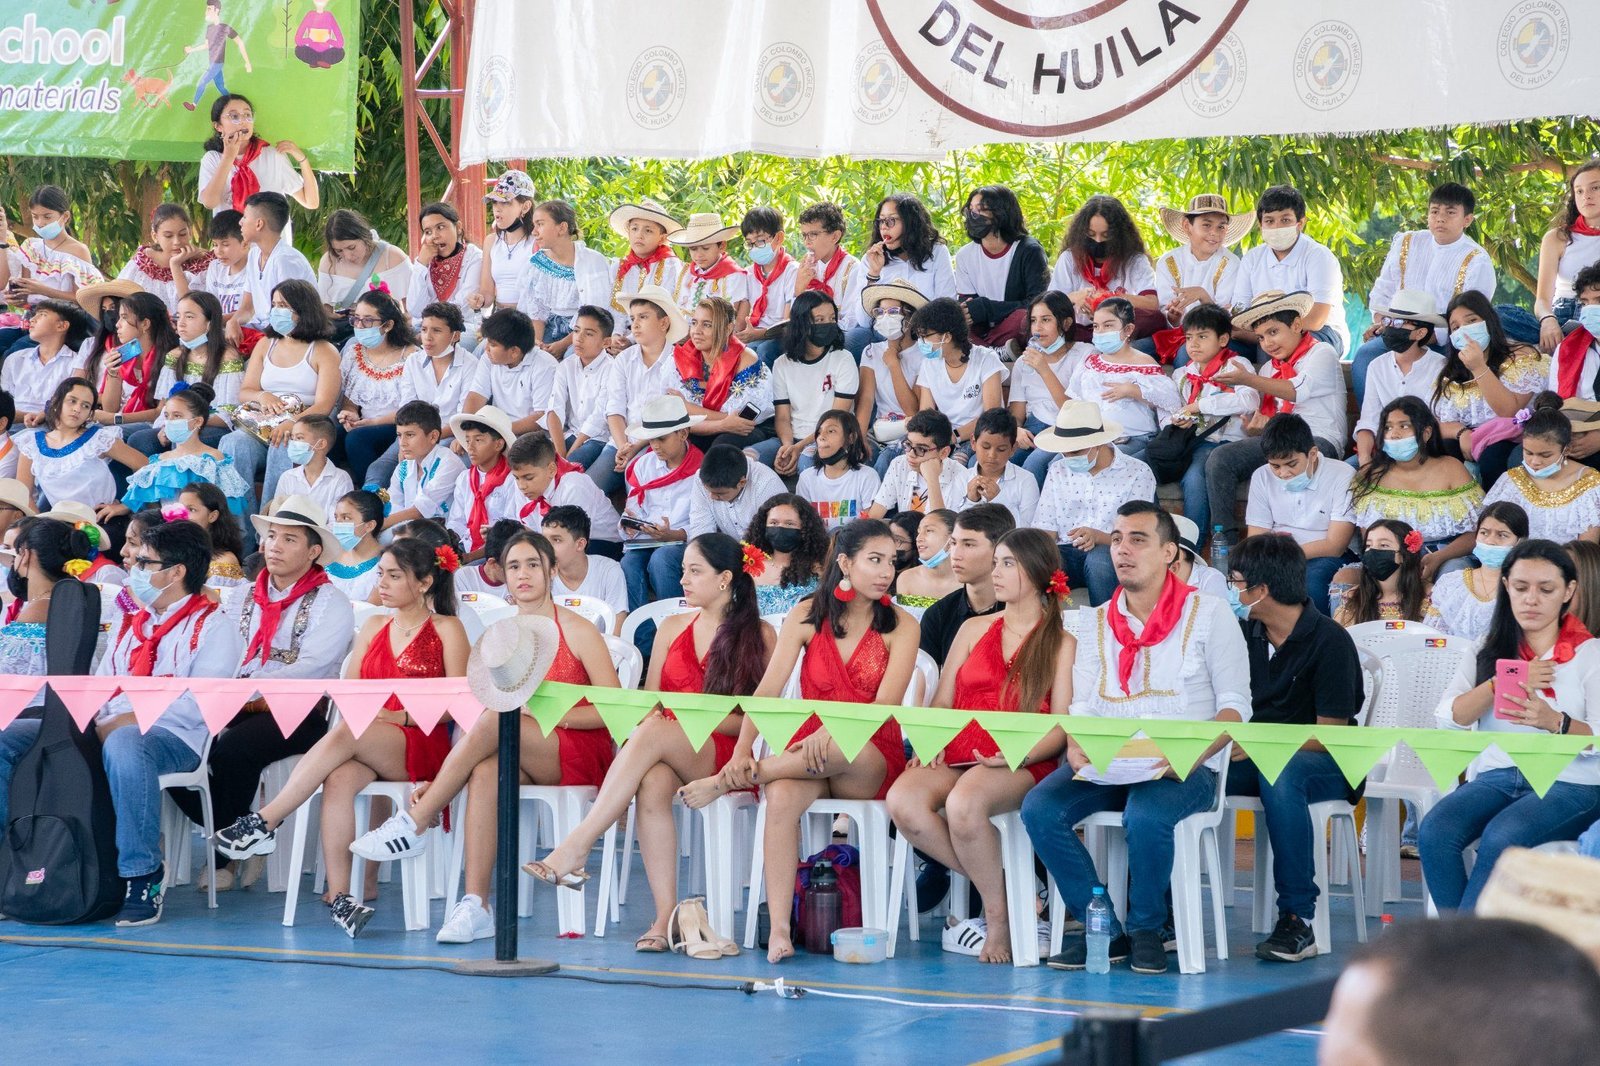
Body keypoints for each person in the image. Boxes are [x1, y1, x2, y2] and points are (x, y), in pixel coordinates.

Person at [433, 531, 770, 948]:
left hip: (723, 749)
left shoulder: (761, 635)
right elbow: (647, 702)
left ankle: (577, 844)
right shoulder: (670, 628)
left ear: (725, 579)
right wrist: (666, 721)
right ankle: (665, 916)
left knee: (655, 728)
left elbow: (758, 721)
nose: (682, 579)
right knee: (651, 777)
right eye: (682, 570)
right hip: (666, 744)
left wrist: (687, 719)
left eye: (694, 571)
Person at [347, 530, 618, 941]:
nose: (523, 574)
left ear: (551, 570)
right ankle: (477, 905)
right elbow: (470, 714)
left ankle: (418, 818)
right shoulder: (501, 635)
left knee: (498, 720)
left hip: (579, 748)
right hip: (520, 748)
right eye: (513, 566)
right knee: (485, 771)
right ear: (501, 575)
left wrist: (548, 715)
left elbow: (615, 711)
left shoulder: (579, 631)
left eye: (532, 565)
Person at [1023, 502, 1250, 975]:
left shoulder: (1209, 614)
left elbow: (1235, 708)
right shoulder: (1094, 619)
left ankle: (1149, 929)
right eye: (1118, 538)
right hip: (1110, 759)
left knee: (1145, 814)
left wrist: (1182, 756)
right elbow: (1082, 706)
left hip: (1185, 764)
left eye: (1138, 539)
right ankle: (1102, 926)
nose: (1122, 549)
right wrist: (1078, 744)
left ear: (1170, 552)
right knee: (1039, 807)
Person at [683, 520, 919, 963]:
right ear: (845, 563)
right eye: (875, 559)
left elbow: (885, 703)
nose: (887, 570)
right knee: (781, 795)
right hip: (807, 753)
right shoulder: (807, 614)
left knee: (837, 746)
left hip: (866, 753)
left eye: (891, 560)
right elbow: (768, 691)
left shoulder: (901, 624)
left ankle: (729, 781)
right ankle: (778, 929)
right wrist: (741, 749)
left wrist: (833, 731)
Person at [216, 536, 469, 937]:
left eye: (393, 576)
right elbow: (350, 693)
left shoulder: (447, 628)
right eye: (380, 574)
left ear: (423, 583)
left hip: (422, 738)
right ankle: (341, 897)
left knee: (351, 730)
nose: (381, 583)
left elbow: (459, 703)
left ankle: (265, 820)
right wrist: (374, 717)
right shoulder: (373, 624)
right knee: (338, 776)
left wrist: (395, 714)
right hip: (368, 737)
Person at [890, 527, 1074, 964]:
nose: (997, 572)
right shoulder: (973, 628)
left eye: (1008, 563)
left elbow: (1063, 725)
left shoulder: (1062, 641)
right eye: (996, 563)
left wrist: (1017, 754)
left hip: (1025, 756)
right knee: (903, 800)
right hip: (959, 749)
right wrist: (929, 739)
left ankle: (998, 919)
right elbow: (943, 700)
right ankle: (1014, 890)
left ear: (1036, 572)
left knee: (964, 805)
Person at [1418, 539, 1600, 910]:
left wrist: (1556, 722)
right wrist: (1499, 683)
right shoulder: (1487, 647)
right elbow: (1449, 717)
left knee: (1503, 835)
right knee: (1436, 831)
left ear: (1569, 592)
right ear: (1506, 587)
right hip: (1499, 776)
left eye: (1545, 589)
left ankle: (1462, 955)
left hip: (1572, 783)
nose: (1531, 599)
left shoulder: (1590, 654)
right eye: (1520, 587)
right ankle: (1464, 949)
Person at [1226, 533, 1364, 962]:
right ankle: (1162, 912)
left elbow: (1331, 732)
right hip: (1253, 755)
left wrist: (1258, 744)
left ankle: (1297, 919)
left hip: (1326, 762)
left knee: (1281, 771)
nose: (1231, 591)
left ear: (1261, 591)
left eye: (1235, 582)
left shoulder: (1330, 641)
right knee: (1184, 769)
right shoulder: (1239, 634)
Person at [1206, 290, 1349, 541]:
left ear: (1296, 324)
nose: (1267, 344)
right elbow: (1274, 420)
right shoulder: (1271, 367)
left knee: (1286, 456)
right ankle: (1224, 544)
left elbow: (1295, 391)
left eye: (1273, 332)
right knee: (1220, 459)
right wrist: (1257, 428)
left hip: (1319, 440)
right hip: (1282, 441)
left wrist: (1248, 379)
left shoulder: (1321, 352)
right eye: (1261, 337)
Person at [1352, 183, 1497, 405]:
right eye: (1434, 211)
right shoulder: (1407, 241)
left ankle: (1433, 432)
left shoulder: (1477, 259)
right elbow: (1383, 290)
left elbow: (1471, 316)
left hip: (1444, 339)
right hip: (1397, 329)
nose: (1440, 219)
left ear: (1467, 220)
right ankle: (1376, 428)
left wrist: (1423, 337)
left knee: (1448, 371)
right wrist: (1384, 323)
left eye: (1450, 213)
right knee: (1365, 356)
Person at [220, 276, 341, 523]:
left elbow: (324, 405)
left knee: (284, 444)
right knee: (232, 444)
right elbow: (245, 391)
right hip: (262, 424)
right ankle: (240, 529)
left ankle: (270, 523)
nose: (277, 311)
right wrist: (263, 395)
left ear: (303, 310)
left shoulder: (323, 350)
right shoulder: (266, 344)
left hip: (306, 424)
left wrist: (293, 423)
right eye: (275, 305)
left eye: (284, 306)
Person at [1033, 401, 1157, 606]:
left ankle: (1107, 629)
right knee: (1035, 562)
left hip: (1113, 553)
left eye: (1076, 452)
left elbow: (1139, 536)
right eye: (1065, 452)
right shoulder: (1058, 469)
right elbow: (1046, 529)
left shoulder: (1137, 472)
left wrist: (1099, 537)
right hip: (1065, 551)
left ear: (1098, 443)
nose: (1068, 458)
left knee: (1099, 559)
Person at [1352, 397, 1484, 579]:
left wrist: (1439, 557)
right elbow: (1369, 538)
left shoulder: (1451, 468)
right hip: (1392, 558)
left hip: (1447, 556)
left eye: (1403, 426)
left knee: (1451, 573)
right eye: (1388, 427)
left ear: (1426, 433)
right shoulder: (1372, 475)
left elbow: (1477, 532)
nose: (1394, 434)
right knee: (1344, 578)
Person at [1166, 303, 1259, 540]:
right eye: (1188, 337)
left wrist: (1200, 406)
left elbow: (1249, 400)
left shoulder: (1237, 366)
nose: (1193, 344)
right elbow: (1171, 410)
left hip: (1229, 442)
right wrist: (1177, 419)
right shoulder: (1183, 374)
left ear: (1224, 339)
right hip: (1195, 442)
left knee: (1195, 477)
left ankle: (1191, 546)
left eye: (1202, 336)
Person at [1433, 293, 1546, 487]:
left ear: (1488, 321)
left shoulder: (1521, 357)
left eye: (1471, 321)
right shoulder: (1450, 371)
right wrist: (1462, 434)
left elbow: (1508, 411)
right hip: (1468, 438)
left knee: (1493, 455)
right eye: (1456, 327)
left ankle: (1498, 513)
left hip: (1511, 437)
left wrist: (1478, 367)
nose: (1464, 331)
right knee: (1443, 448)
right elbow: (1435, 421)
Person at [1230, 184, 1349, 359]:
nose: (1276, 227)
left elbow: (1317, 319)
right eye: (1269, 221)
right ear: (1260, 225)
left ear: (1300, 223)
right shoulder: (1252, 259)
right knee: (1219, 348)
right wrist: (1265, 334)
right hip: (1262, 335)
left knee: (1274, 348)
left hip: (1321, 332)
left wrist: (1272, 334)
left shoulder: (1318, 256)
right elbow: (1239, 314)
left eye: (1285, 220)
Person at [595, 285, 688, 494]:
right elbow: (615, 410)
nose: (634, 325)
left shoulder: (678, 361)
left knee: (637, 485)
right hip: (620, 442)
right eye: (632, 318)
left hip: (656, 443)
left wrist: (635, 447)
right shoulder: (624, 359)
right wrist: (623, 446)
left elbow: (671, 416)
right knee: (591, 488)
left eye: (643, 317)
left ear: (664, 323)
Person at [16, 378, 149, 524]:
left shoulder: (99, 438)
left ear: (90, 414)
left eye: (85, 406)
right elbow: (24, 494)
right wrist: (40, 526)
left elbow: (146, 466)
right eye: (72, 401)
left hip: (102, 519)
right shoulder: (32, 444)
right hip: (58, 524)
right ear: (56, 402)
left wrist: (128, 505)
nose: (77, 409)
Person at [1068, 296, 1180, 461]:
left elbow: (1171, 401)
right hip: (1092, 437)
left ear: (1128, 329)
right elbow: (1075, 398)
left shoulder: (1144, 363)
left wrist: (1133, 390)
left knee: (1101, 462)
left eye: (1108, 326)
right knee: (1058, 463)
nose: (1100, 332)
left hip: (1132, 438)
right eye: (1096, 326)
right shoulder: (1090, 361)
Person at [844, 193, 956, 354]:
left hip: (925, 332)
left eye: (891, 220)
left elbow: (947, 304)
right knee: (853, 338)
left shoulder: (937, 252)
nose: (884, 227)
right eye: (881, 221)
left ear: (911, 222)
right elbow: (863, 320)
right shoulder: (871, 259)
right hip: (883, 334)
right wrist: (873, 274)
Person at [1145, 194, 1249, 367]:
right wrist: (1173, 317)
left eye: (1221, 227)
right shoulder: (1168, 261)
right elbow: (1165, 310)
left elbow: (1223, 318)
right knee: (1136, 348)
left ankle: (1189, 392)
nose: (1214, 233)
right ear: (1187, 226)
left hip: (1214, 336)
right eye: (1207, 225)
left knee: (1186, 356)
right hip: (1176, 334)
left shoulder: (1231, 263)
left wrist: (1202, 296)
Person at [117, 383, 249, 518]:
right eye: (167, 416)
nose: (170, 421)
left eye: (177, 416)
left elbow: (228, 509)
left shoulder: (213, 459)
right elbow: (148, 503)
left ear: (197, 421)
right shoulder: (160, 461)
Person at [619, 395, 702, 610]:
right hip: (648, 539)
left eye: (662, 438)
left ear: (683, 433)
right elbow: (633, 508)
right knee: (629, 563)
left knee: (662, 560)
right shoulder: (642, 465)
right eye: (651, 439)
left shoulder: (702, 471)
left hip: (683, 541)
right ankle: (641, 636)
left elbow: (706, 524)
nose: (655, 446)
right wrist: (630, 525)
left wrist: (674, 535)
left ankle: (675, 623)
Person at [1483, 392, 1600, 543]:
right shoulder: (1510, 481)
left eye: (1545, 455)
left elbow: (1586, 550)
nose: (1535, 462)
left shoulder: (1590, 485)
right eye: (1528, 453)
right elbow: (1493, 535)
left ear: (1566, 449)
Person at [137, 290, 245, 453]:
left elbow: (229, 414)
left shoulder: (227, 357)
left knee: (183, 437)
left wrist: (186, 424)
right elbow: (166, 407)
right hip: (177, 423)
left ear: (209, 323)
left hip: (212, 425)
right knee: (139, 440)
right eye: (178, 316)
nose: (181, 323)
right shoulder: (175, 356)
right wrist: (168, 425)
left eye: (189, 317)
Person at [1353, 291, 1450, 468]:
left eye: (1398, 323)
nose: (1390, 328)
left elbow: (1440, 422)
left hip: (1427, 454)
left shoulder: (1440, 367)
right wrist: (1365, 461)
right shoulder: (1376, 366)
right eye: (1387, 321)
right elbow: (1368, 422)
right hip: (1383, 452)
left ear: (1420, 333)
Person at [1048, 194, 1159, 341]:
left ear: (1120, 235)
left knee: (1155, 320)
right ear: (1082, 233)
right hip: (1080, 330)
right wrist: (1075, 298)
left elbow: (1152, 304)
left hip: (1119, 331)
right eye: (1091, 234)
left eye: (1106, 235)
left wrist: (1112, 299)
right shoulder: (1070, 258)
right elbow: (1048, 305)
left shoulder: (1135, 260)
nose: (1098, 241)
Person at [336, 290, 420, 484]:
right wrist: (350, 415)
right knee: (331, 433)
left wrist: (371, 423)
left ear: (388, 324)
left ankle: (373, 495)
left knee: (357, 439)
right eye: (356, 319)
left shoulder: (410, 357)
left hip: (398, 423)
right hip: (364, 422)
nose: (359, 325)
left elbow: (412, 409)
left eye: (367, 320)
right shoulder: (354, 353)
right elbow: (349, 402)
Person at [770, 291, 857, 474]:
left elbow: (837, 419)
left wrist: (800, 447)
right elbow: (783, 417)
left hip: (828, 438)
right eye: (819, 320)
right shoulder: (782, 364)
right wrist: (788, 446)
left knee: (806, 463)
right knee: (751, 456)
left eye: (832, 318)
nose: (828, 324)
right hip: (790, 437)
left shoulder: (843, 359)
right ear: (802, 324)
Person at [676, 296, 776, 455]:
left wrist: (689, 408)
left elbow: (741, 420)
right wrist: (722, 422)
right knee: (679, 442)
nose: (697, 331)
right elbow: (675, 418)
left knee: (721, 448)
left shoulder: (746, 359)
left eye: (707, 325)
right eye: (694, 323)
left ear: (728, 329)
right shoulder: (681, 357)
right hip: (706, 427)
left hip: (750, 428)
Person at [953, 184, 1049, 351]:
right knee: (952, 323)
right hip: (981, 328)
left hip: (1013, 326)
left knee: (1024, 319)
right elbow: (967, 304)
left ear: (1001, 213)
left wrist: (988, 308)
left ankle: (982, 351)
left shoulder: (1029, 251)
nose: (973, 216)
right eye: (971, 210)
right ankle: (995, 352)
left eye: (981, 210)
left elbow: (1038, 304)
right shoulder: (964, 255)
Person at [911, 297, 1005, 463]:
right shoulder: (929, 364)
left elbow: (991, 417)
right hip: (944, 438)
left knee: (957, 465)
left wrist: (955, 436)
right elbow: (927, 415)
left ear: (946, 337)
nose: (921, 342)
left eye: (925, 336)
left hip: (981, 436)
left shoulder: (985, 359)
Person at [919, 504, 1015, 665]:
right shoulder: (938, 615)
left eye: (968, 544)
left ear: (1000, 550)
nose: (955, 555)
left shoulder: (1023, 613)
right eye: (954, 543)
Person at [515, 200, 612, 358]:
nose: (534, 232)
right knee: (531, 356)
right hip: (546, 329)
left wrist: (563, 344)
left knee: (575, 356)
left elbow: (597, 312)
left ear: (562, 227)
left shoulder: (593, 261)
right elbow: (536, 313)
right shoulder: (536, 264)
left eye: (540, 224)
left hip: (584, 331)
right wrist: (537, 342)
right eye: (534, 225)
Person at [197, 91, 318, 214]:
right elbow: (210, 202)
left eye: (247, 115)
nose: (243, 121)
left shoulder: (272, 155)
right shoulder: (212, 158)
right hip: (230, 232)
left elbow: (311, 202)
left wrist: (302, 159)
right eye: (234, 116)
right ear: (218, 126)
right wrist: (228, 157)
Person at [1424, 501, 1529, 639]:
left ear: (1520, 542)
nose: (1490, 541)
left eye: (1502, 535)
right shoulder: (1451, 583)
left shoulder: (1527, 590)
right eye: (1484, 532)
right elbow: (1432, 637)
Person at [508, 430, 622, 555]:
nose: (521, 486)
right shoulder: (524, 487)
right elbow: (534, 532)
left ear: (551, 469)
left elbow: (571, 540)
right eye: (516, 478)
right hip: (555, 544)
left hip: (599, 544)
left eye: (529, 478)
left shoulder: (573, 486)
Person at [1008, 291, 1079, 486]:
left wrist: (1044, 370)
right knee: (1002, 462)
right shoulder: (1024, 362)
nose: (1038, 328)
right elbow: (1017, 412)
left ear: (1065, 323)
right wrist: (1016, 429)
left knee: (1034, 464)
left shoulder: (1083, 355)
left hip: (1066, 428)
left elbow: (1072, 412)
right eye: (1033, 320)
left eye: (1046, 320)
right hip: (1033, 428)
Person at [229, 192, 317, 344]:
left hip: (289, 336)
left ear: (259, 224)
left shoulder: (285, 260)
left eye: (245, 217)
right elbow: (248, 308)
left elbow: (291, 318)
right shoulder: (254, 253)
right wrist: (233, 321)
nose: (240, 223)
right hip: (264, 331)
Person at [0, 185, 104, 309]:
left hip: (64, 320)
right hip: (34, 318)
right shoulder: (31, 246)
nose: (40, 223)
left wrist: (43, 290)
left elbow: (81, 298)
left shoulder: (78, 250)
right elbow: (25, 298)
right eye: (35, 217)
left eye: (47, 217)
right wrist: (16, 298)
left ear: (65, 216)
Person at [461, 308, 557, 438]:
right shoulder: (489, 357)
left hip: (531, 437)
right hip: (497, 431)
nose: (486, 348)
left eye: (493, 344)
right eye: (487, 341)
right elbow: (476, 396)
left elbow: (541, 418)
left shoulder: (545, 366)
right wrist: (466, 432)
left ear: (514, 352)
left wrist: (497, 431)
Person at [605, 200, 686, 353]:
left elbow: (665, 309)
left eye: (648, 231)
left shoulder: (669, 266)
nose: (639, 235)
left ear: (662, 238)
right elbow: (617, 308)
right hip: (623, 334)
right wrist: (616, 334)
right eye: (634, 229)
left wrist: (631, 340)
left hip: (658, 336)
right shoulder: (620, 267)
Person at [1536, 161, 1600, 352]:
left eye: (1595, 187)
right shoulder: (1557, 238)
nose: (1586, 196)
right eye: (1579, 191)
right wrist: (1548, 320)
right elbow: (1542, 301)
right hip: (1565, 317)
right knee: (1502, 316)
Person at [866, 409, 975, 518]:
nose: (911, 454)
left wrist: (932, 480)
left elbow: (939, 528)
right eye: (908, 444)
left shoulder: (962, 478)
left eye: (921, 449)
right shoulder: (899, 464)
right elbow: (874, 515)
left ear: (944, 453)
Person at [546, 305, 618, 469]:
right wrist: (560, 452)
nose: (579, 338)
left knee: (569, 468)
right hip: (571, 433)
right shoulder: (566, 365)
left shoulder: (612, 369)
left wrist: (569, 454)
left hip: (597, 438)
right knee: (538, 461)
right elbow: (553, 409)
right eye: (577, 331)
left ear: (606, 342)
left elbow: (598, 418)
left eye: (589, 334)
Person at [0, 300, 94, 424]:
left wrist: (43, 416)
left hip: (51, 425)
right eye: (35, 315)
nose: (33, 319)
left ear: (62, 326)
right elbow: (4, 402)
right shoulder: (15, 359)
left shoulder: (76, 365)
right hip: (9, 423)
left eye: (42, 315)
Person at [444, 406, 519, 557]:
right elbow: (457, 521)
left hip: (499, 553)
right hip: (466, 546)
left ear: (498, 444)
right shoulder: (465, 478)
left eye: (478, 440)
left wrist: (468, 558)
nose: (470, 447)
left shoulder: (512, 480)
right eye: (467, 440)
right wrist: (449, 541)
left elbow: (511, 533)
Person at [381, 399, 464, 532]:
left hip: (441, 535)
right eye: (399, 435)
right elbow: (393, 507)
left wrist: (375, 526)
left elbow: (419, 511)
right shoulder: (404, 467)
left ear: (433, 436)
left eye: (410, 435)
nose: (402, 443)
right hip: (408, 531)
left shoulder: (448, 462)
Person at [544, 505, 629, 634]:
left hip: (600, 650)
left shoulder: (608, 570)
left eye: (556, 540)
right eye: (544, 541)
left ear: (580, 544)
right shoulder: (541, 575)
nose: (547, 548)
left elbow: (617, 627)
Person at [403, 203, 484, 339]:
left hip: (462, 328)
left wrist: (428, 333)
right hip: (422, 328)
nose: (434, 236)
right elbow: (415, 310)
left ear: (458, 227)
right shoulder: (424, 261)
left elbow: (461, 307)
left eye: (440, 227)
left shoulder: (474, 257)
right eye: (428, 232)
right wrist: (421, 265)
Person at [314, 208, 412, 319]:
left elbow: (413, 309)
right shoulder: (328, 261)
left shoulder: (393, 257)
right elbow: (324, 307)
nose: (348, 256)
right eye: (339, 251)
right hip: (345, 331)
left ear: (364, 237)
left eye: (352, 247)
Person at [116, 204, 214, 315]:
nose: (176, 242)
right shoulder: (141, 263)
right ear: (155, 236)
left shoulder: (204, 264)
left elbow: (195, 311)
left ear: (190, 232)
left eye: (182, 234)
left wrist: (175, 265)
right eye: (168, 236)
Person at [743, 492, 828, 616]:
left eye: (789, 524)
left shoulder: (819, 568)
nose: (780, 528)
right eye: (773, 523)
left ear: (806, 529)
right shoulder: (747, 565)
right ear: (763, 526)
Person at [796, 410, 881, 531]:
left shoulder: (867, 476)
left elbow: (869, 526)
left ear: (851, 438)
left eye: (831, 431)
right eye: (819, 432)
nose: (822, 437)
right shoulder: (807, 478)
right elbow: (804, 526)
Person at [687, 442, 785, 540]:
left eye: (719, 494)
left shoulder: (767, 485)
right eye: (708, 491)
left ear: (742, 482)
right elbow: (700, 526)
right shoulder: (701, 478)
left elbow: (774, 538)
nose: (711, 497)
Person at [669, 213, 750, 327]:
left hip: (715, 334)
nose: (699, 254)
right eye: (693, 248)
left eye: (706, 248)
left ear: (721, 246)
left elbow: (730, 317)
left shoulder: (733, 275)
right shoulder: (688, 272)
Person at [472, 170, 537, 313]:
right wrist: (479, 300)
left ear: (525, 206)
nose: (497, 209)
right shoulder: (490, 241)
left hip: (530, 319)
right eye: (495, 202)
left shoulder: (537, 242)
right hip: (500, 318)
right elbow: (487, 294)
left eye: (505, 202)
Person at [173, 209, 251, 326]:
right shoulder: (215, 267)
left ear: (244, 244)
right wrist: (174, 265)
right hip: (218, 330)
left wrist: (210, 322)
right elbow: (206, 305)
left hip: (246, 333)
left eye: (225, 244)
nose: (218, 251)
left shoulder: (254, 269)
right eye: (215, 244)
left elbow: (250, 311)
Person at [962, 407, 1039, 525]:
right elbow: (953, 528)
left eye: (1001, 449)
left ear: (1013, 449)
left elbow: (1028, 531)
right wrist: (971, 501)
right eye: (985, 447)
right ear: (973, 442)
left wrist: (999, 500)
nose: (992, 455)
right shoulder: (961, 478)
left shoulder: (1026, 480)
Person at [177, 481, 249, 593]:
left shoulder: (224, 562)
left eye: (192, 510)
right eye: (180, 509)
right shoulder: (172, 551)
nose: (182, 516)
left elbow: (219, 607)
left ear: (212, 516)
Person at [276, 414, 351, 519]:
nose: (293, 443)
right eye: (292, 438)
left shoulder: (340, 479)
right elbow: (279, 514)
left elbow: (338, 521)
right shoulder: (287, 477)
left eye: (299, 438)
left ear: (321, 444)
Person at [793, 201, 859, 319]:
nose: (807, 242)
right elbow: (794, 319)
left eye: (813, 234)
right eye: (804, 235)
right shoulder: (805, 268)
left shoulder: (852, 268)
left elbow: (851, 319)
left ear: (835, 236)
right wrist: (799, 289)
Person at [1549, 263, 1600, 402]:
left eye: (1599, 300)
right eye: (1585, 303)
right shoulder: (1567, 349)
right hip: (1576, 422)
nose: (1591, 309)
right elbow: (1557, 404)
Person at [893, 507, 959, 613]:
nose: (919, 538)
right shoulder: (907, 579)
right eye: (919, 532)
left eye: (929, 531)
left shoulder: (968, 584)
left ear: (953, 538)